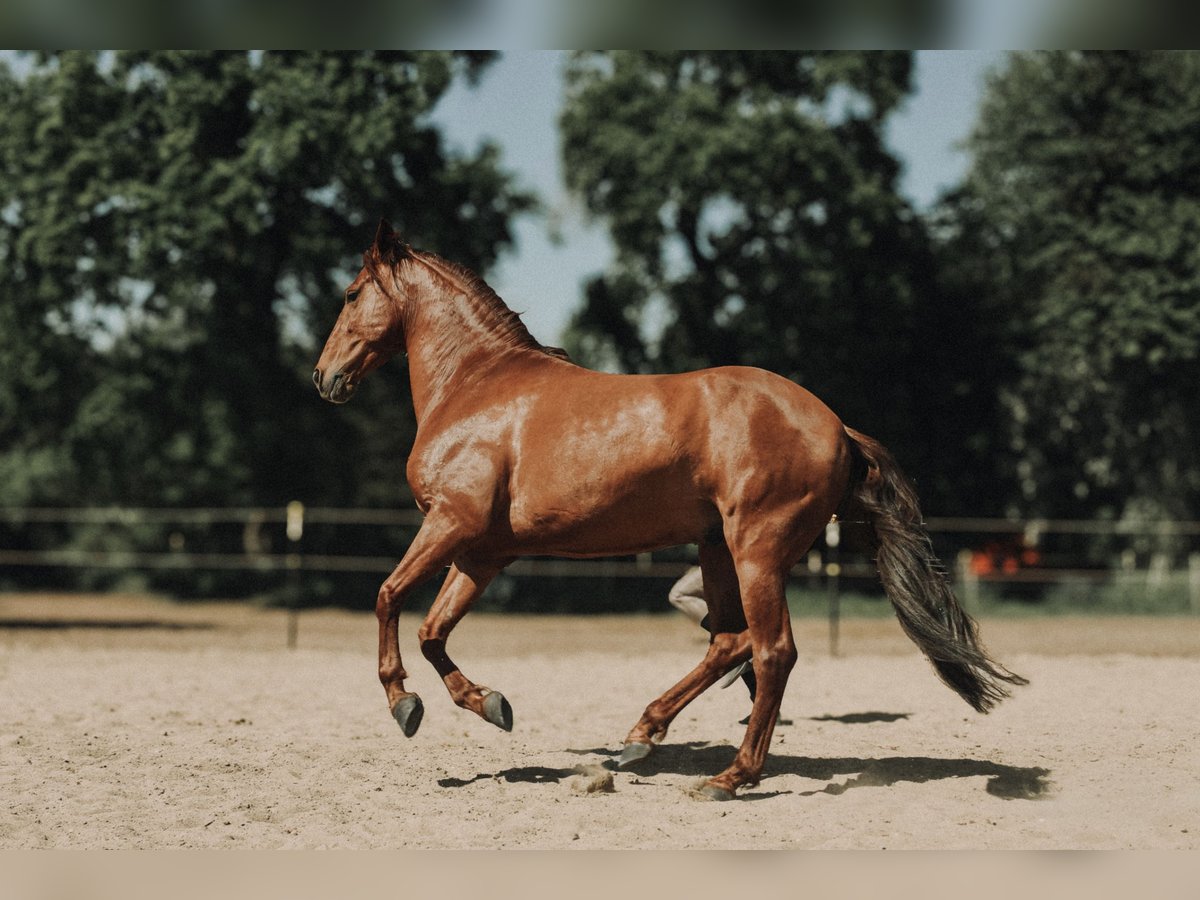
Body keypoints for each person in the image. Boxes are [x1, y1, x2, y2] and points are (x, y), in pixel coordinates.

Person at [669, 566, 790, 724]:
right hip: (736, 559)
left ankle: (737, 638)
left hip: (727, 557)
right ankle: (765, 711)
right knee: (738, 640)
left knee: (680, 594)